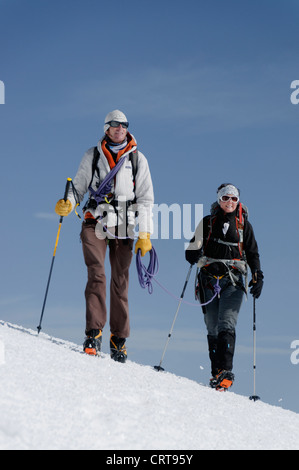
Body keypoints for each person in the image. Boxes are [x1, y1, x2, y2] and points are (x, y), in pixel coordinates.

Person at [55, 110, 154, 362]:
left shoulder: (138, 160)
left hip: (125, 225)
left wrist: (145, 233)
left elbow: (145, 199)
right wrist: (67, 202)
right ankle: (94, 332)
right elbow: (77, 188)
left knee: (120, 281)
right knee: (96, 272)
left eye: (123, 125)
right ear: (106, 128)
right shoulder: (92, 155)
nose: (119, 128)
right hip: (94, 220)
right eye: (114, 124)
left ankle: (118, 339)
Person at [185, 183, 263, 390]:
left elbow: (253, 253)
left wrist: (257, 276)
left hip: (234, 279)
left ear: (238, 202)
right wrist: (193, 253)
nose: (230, 202)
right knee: (212, 325)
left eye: (234, 199)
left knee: (227, 322)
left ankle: (226, 371)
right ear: (219, 199)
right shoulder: (207, 223)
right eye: (226, 198)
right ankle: (216, 373)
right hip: (208, 278)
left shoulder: (244, 225)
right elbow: (192, 249)